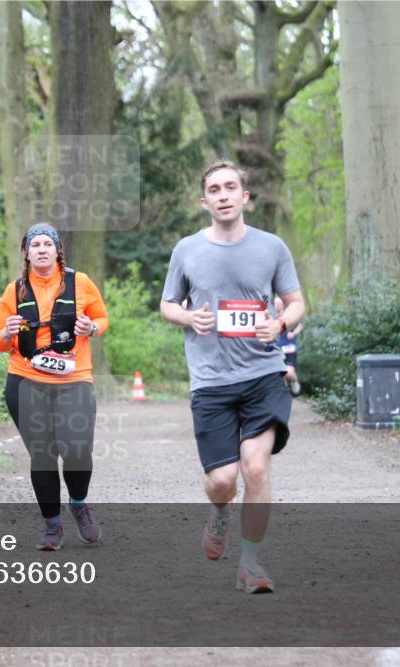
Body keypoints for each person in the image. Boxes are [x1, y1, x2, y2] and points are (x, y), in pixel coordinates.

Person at [160, 159, 304, 594]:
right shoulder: (186, 249)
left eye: (231, 187)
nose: (223, 195)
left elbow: (295, 303)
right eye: (215, 190)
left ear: (245, 196)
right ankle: (219, 513)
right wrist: (189, 317)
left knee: (255, 468)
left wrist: (278, 325)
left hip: (263, 373)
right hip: (211, 381)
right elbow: (167, 304)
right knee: (223, 481)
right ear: (205, 201)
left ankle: (251, 563)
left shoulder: (272, 247)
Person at [0, 224, 109, 550]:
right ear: (26, 253)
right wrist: (7, 332)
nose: (41, 249)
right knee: (42, 455)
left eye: (47, 244)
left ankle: (79, 503)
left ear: (58, 250)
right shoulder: (14, 290)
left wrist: (91, 327)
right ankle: (52, 525)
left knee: (77, 449)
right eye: (35, 245)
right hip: (26, 380)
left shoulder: (80, 282)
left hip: (74, 380)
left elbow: (102, 318)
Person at [274, 295, 303, 397]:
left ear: (283, 304)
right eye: (276, 303)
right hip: (277, 349)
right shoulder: (272, 317)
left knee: (289, 372)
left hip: (289, 348)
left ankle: (294, 381)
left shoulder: (288, 315)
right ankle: (284, 394)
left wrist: (293, 333)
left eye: (280, 303)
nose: (278, 305)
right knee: (279, 374)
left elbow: (300, 325)